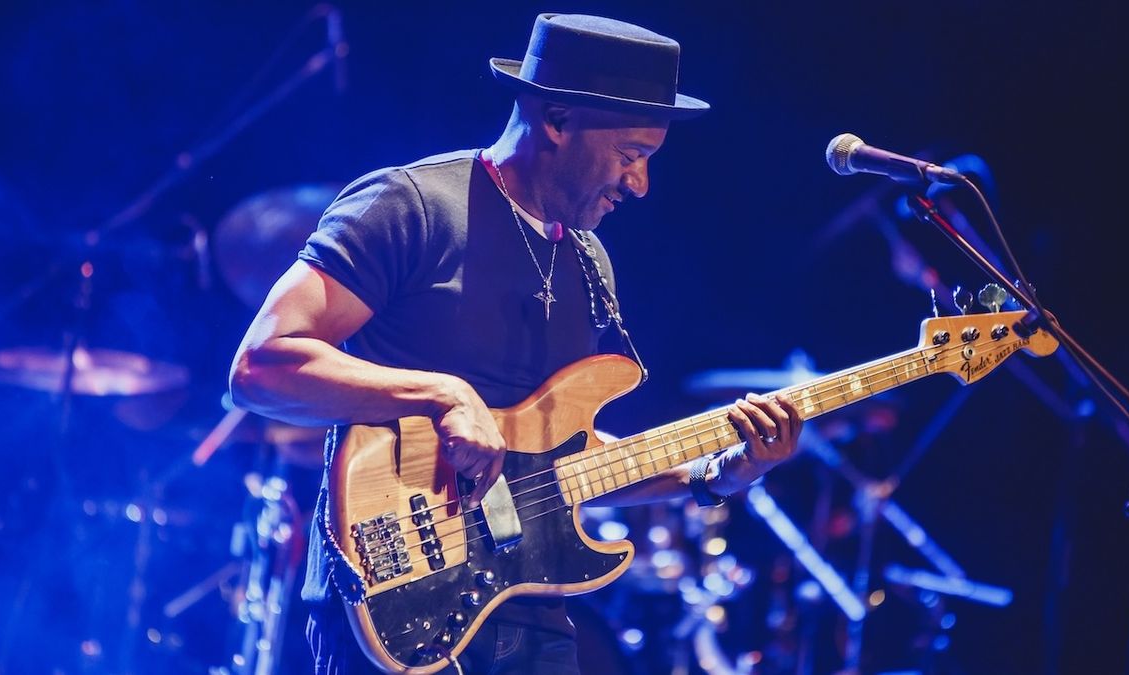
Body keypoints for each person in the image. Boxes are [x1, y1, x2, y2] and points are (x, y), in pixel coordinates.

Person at [229, 13, 804, 674]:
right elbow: (262, 365)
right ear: (557, 120)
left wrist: (717, 473)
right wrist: (441, 392)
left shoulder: (590, 260)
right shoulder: (412, 205)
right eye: (630, 155)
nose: (639, 184)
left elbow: (556, 464)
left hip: (533, 617)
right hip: (390, 603)